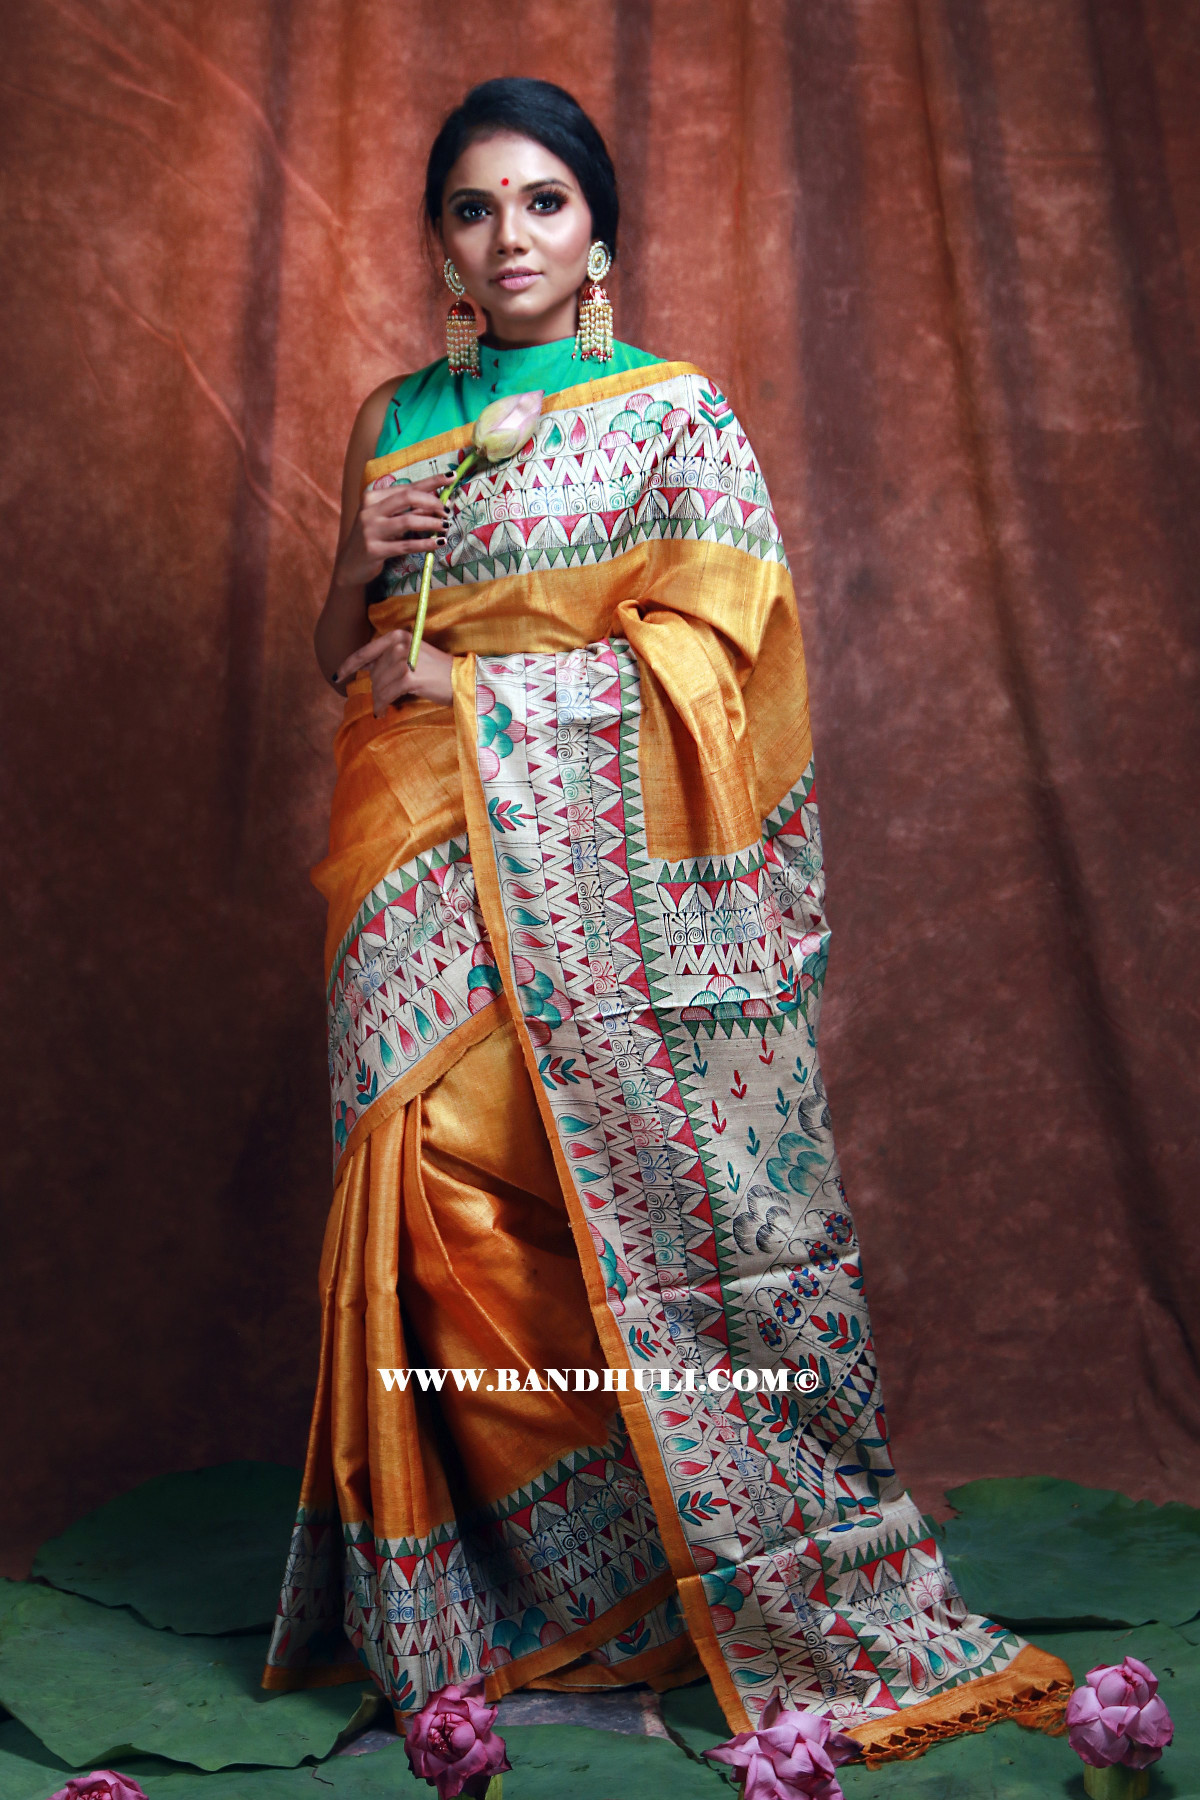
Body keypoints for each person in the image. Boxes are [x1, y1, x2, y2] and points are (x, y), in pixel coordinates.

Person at [261, 77, 1070, 1759]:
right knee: (428, 1199)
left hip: (580, 867)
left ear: (600, 232)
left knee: (573, 1192)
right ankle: (511, 1595)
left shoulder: (674, 416)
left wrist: (478, 692)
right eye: (475, 208)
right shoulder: (393, 417)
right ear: (442, 246)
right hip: (406, 860)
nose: (511, 237)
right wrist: (356, 558)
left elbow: (722, 664)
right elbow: (348, 649)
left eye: (543, 201)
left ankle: (666, 1561)